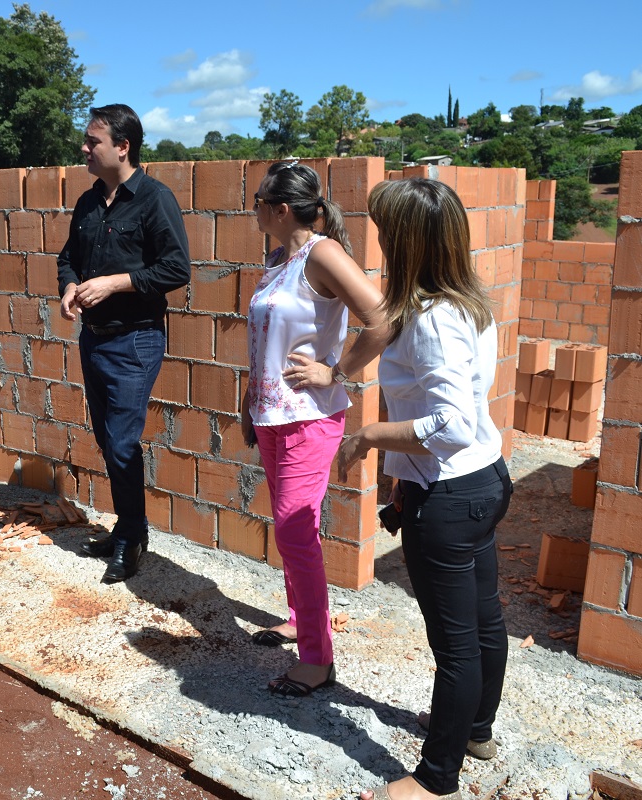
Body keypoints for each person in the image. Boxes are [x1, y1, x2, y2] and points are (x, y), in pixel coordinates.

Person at [338, 178, 511, 800]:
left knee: (455, 647)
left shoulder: (433, 320)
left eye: (385, 232)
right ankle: (475, 730)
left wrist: (369, 436)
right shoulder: (467, 302)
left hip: (449, 498)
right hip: (484, 481)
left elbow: (451, 426)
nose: (379, 242)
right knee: (484, 620)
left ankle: (435, 780)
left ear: (408, 242)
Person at [242, 160, 390, 697]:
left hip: (308, 416)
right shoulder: (278, 259)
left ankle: (317, 658)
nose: (255, 211)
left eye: (258, 203)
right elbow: (267, 341)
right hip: (272, 415)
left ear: (280, 209)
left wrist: (336, 371)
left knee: (292, 530)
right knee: (294, 529)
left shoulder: (322, 253)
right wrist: (249, 399)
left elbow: (382, 317)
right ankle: (300, 618)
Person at [57, 104, 190, 583]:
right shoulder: (89, 201)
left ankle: (132, 538)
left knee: (121, 443)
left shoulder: (155, 199)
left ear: (122, 147)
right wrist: (70, 286)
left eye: (93, 141)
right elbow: (68, 258)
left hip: (136, 341)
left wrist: (115, 284)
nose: (84, 148)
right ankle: (126, 528)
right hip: (93, 339)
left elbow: (176, 269)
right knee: (108, 440)